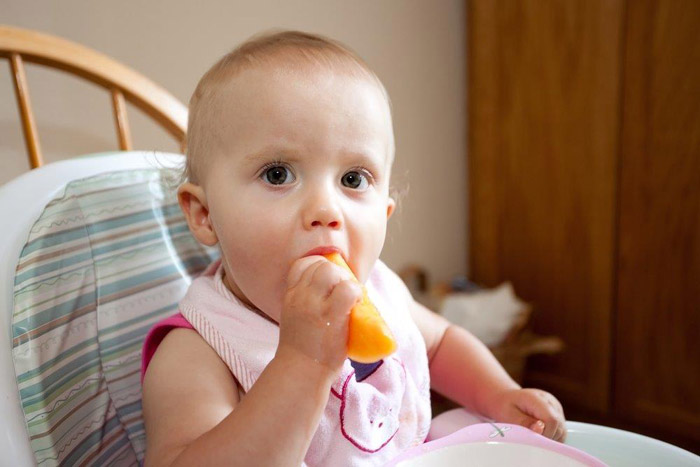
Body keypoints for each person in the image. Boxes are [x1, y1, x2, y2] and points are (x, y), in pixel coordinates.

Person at [140, 30, 566, 466]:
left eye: (353, 179)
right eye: (277, 174)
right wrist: (303, 362)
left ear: (383, 213)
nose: (326, 209)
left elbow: (439, 345)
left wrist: (500, 393)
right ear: (204, 214)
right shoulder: (200, 347)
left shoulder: (379, 289)